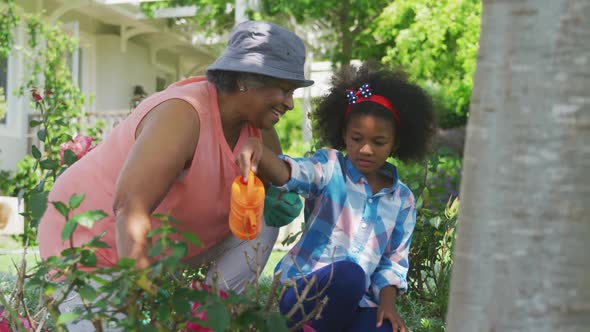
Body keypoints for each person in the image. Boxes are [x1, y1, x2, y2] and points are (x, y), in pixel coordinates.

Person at [38, 20, 312, 296]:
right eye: (284, 89)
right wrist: (142, 301)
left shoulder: (259, 127)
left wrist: (278, 194)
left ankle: (210, 312)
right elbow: (130, 207)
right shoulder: (184, 114)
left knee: (261, 220)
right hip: (89, 245)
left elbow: (276, 186)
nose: (289, 103)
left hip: (164, 246)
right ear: (244, 80)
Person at [236, 65, 435, 332]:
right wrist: (259, 150)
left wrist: (388, 306)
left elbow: (393, 262)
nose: (365, 149)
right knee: (351, 275)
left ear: (395, 143)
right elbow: (293, 173)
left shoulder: (403, 200)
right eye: (356, 138)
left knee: (382, 327)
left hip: (356, 303)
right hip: (303, 291)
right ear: (343, 134)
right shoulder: (330, 168)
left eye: (378, 142)